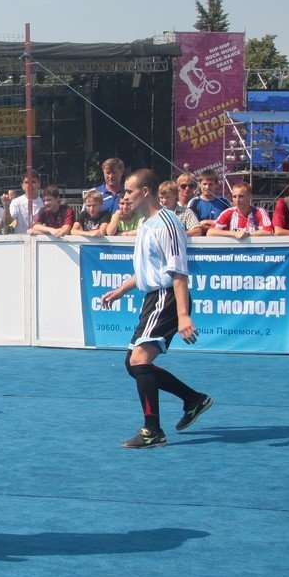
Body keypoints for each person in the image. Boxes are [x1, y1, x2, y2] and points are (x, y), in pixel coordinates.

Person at [100, 169, 212, 449]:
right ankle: (193, 398)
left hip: (168, 299)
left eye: (129, 191)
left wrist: (184, 315)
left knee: (139, 361)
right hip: (153, 298)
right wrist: (120, 290)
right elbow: (146, 271)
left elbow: (178, 273)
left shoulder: (167, 223)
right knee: (133, 364)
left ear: (145, 192)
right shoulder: (146, 224)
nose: (125, 197)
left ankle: (153, 430)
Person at [206, 181, 273, 238]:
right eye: (234, 197)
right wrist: (233, 233)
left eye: (241, 196)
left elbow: (268, 232)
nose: (237, 200)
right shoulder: (228, 212)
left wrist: (246, 234)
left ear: (250, 196)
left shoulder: (259, 211)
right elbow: (210, 232)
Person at [9, 170, 45, 234]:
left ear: (39, 184)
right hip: (20, 240)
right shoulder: (16, 202)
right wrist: (6, 206)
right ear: (23, 186)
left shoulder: (45, 203)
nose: (30, 185)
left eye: (33, 182)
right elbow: (8, 223)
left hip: (41, 239)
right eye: (27, 182)